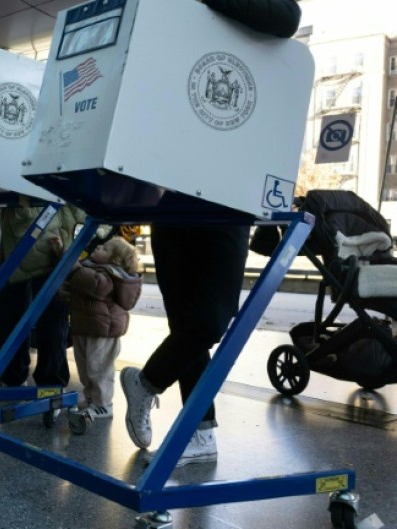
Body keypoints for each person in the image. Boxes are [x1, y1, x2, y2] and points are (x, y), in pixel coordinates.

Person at [120, 0, 302, 466]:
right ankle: (202, 431)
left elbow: (287, 17)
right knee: (188, 328)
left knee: (209, 322)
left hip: (227, 194)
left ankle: (146, 383)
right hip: (175, 194)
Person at [0, 198, 85, 388]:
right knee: (52, 317)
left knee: (9, 312)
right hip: (49, 225)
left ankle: (14, 376)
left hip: (32, 219)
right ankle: (50, 382)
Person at [60, 236, 142, 419]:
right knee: (85, 367)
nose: (98, 247)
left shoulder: (110, 273)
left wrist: (73, 266)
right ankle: (90, 398)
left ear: (114, 260)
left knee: (99, 368)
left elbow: (95, 285)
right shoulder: (90, 268)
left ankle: (104, 404)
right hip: (85, 327)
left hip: (103, 331)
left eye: (104, 249)